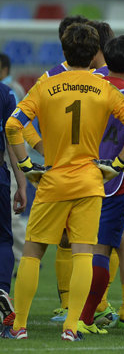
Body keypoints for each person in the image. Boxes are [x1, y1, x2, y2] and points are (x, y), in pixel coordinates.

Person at [1, 23, 124, 341]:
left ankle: (19, 326)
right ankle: (71, 328)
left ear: (63, 51)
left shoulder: (47, 83)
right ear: (96, 53)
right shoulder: (104, 86)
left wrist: (27, 165)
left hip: (53, 180)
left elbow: (13, 125)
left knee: (32, 253)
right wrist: (118, 165)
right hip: (90, 182)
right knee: (84, 253)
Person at [77, 35, 124, 335]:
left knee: (82, 249)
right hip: (115, 179)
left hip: (81, 172)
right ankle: (86, 317)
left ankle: (75, 310)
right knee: (104, 250)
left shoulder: (89, 86)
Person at [36, 14, 89, 323]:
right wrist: (47, 149)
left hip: (84, 170)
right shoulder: (49, 78)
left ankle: (96, 305)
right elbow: (21, 123)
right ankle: (68, 305)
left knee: (97, 241)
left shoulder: (99, 80)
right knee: (69, 240)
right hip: (70, 170)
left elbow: (17, 124)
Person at [0, 82, 27, 328]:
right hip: (0, 172)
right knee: (3, 240)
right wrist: (22, 184)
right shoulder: (6, 93)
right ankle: (2, 292)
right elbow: (12, 138)